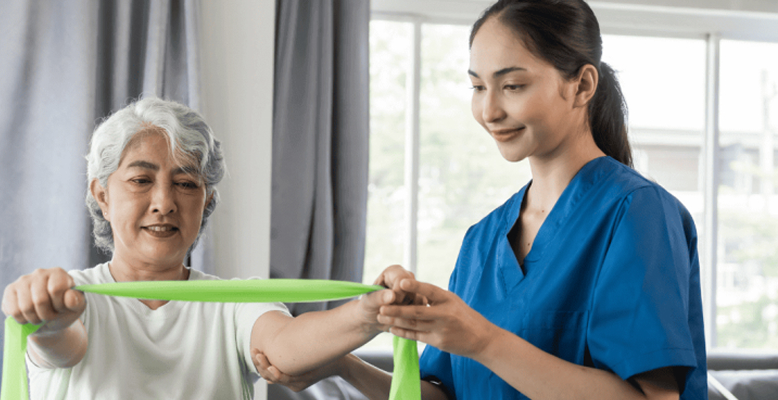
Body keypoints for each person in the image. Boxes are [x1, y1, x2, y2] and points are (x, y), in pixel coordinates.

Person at [253, 0, 707, 398]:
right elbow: (443, 395)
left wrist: (482, 341)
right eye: (477, 87)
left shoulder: (637, 214)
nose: (489, 111)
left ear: (582, 86)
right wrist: (339, 363)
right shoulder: (483, 239)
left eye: (512, 86)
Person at [1, 96, 410, 399]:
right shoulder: (74, 296)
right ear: (102, 196)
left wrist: (368, 314)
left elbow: (283, 348)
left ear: (207, 201)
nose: (164, 202)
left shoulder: (233, 303)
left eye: (185, 184)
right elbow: (61, 345)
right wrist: (49, 318)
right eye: (141, 180)